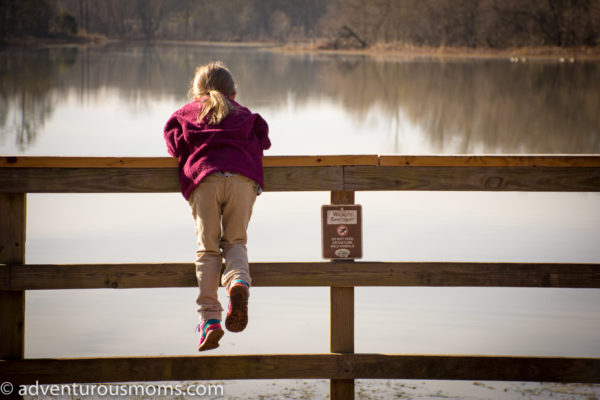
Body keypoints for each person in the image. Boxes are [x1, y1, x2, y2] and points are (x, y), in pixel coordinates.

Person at [163, 61, 271, 351]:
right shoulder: (246, 115)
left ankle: (210, 320)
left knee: (208, 249)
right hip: (242, 180)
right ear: (234, 94)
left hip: (205, 179)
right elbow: (264, 138)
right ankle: (238, 282)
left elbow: (173, 144)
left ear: (195, 93)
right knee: (235, 241)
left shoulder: (185, 114)